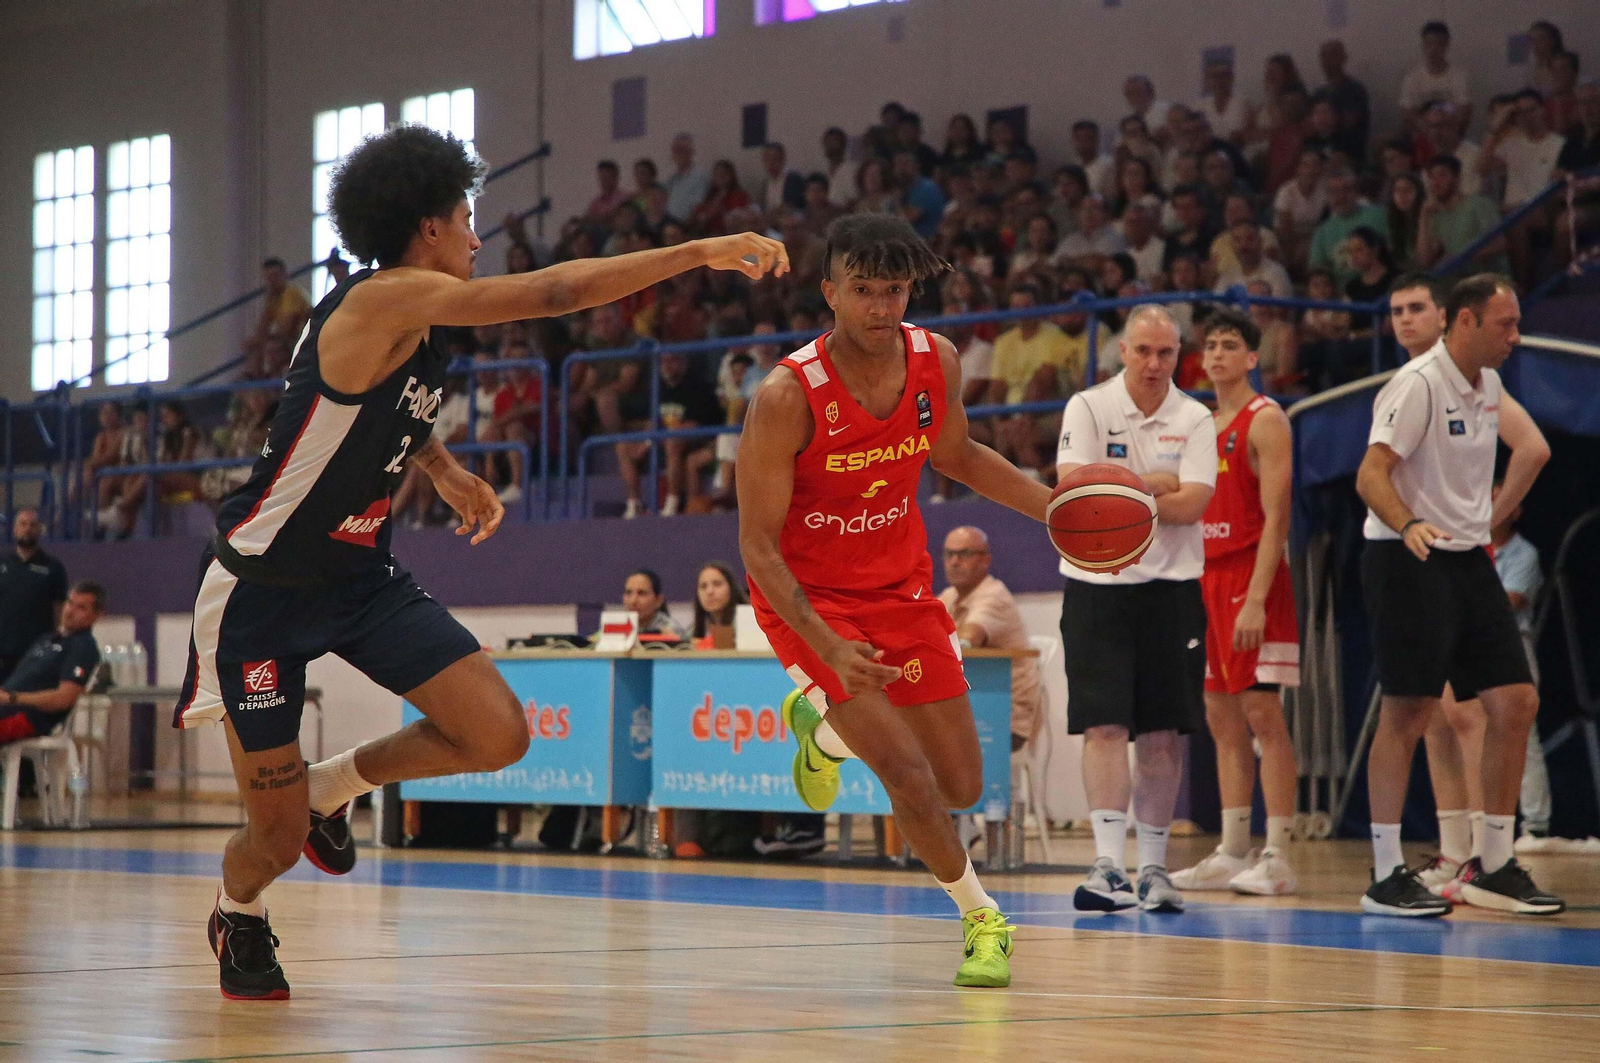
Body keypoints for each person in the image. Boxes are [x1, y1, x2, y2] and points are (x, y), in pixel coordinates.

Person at [173, 124, 786, 1001]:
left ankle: (333, 788)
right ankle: (239, 909)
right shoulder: (375, 300)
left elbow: (389, 412)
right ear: (424, 226)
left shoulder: (415, 326)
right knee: (269, 842)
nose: (476, 235)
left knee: (497, 732)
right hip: (261, 587)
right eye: (465, 216)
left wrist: (446, 470)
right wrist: (699, 248)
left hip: (357, 576)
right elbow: (560, 290)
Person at [737, 213, 1053, 988]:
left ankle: (822, 732)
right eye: (863, 290)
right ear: (830, 293)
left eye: (895, 290)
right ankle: (983, 917)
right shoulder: (785, 395)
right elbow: (757, 546)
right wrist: (826, 642)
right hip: (811, 601)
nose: (881, 306)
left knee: (962, 786)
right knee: (909, 776)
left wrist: (1055, 509)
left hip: (902, 588)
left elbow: (957, 455)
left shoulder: (933, 358)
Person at [1355, 273, 1561, 918]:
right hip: (1404, 555)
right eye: (1504, 324)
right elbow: (1370, 474)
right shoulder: (1416, 384)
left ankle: (1493, 863)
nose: (1515, 336)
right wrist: (1409, 522)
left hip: (1467, 557)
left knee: (1516, 700)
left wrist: (1490, 515)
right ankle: (1386, 873)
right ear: (1465, 322)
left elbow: (1535, 449)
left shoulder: (1490, 386)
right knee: (1409, 712)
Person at [1055, 306, 1215, 916]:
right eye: (1144, 351)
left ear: (1178, 355)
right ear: (1122, 349)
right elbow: (1077, 495)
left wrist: (1123, 488)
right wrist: (1157, 482)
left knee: (1162, 732)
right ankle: (1106, 865)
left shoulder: (1194, 415)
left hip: (1172, 589)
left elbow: (1196, 502)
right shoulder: (1088, 407)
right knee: (1103, 725)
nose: (1154, 364)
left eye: (1166, 354)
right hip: (1097, 586)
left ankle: (1153, 868)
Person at [1170, 311, 1300, 897]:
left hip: (1253, 575)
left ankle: (1279, 853)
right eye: (1211, 346)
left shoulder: (1265, 419)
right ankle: (1231, 848)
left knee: (1263, 717)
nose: (1218, 355)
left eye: (1230, 346)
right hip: (1205, 578)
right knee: (1220, 719)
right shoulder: (1200, 424)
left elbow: (1278, 516)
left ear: (1252, 357)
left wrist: (1256, 599)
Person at [937, 526, 1044, 751]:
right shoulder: (950, 596)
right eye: (949, 554)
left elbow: (968, 640)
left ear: (986, 560)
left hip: (1005, 718)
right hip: (971, 708)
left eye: (964, 554)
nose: (954, 561)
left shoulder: (994, 595)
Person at [0, 581, 104, 748]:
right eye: (70, 603)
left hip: (27, 718)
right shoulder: (46, 640)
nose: (70, 611)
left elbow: (64, 699)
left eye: (81, 608)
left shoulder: (82, 647)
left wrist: (12, 698)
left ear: (96, 616)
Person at [0, 510, 69, 685]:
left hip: (37, 651)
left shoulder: (53, 567)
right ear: (15, 529)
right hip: (4, 651)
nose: (27, 529)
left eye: (32, 525)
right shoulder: (3, 565)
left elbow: (59, 607)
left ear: (39, 530)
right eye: (22, 524)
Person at [1416, 156, 1510, 278]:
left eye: (1442, 175)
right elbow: (1425, 260)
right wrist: (1423, 216)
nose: (1435, 182)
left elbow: (1499, 243)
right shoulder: (1436, 216)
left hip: (1491, 279)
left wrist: (1460, 258)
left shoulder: (1479, 204)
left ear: (1457, 179)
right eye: (1432, 177)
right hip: (1459, 283)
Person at [1399, 21, 1472, 134]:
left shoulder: (1458, 76)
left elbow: (1464, 111)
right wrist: (1428, 130)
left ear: (1447, 44)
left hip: (1450, 135)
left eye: (1439, 43)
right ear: (1423, 45)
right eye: (1429, 43)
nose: (1433, 49)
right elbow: (1407, 112)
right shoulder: (1412, 78)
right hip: (1421, 136)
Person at [1316, 40, 1370, 164]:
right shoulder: (1318, 94)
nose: (1327, 61)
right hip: (1320, 156)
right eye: (1323, 56)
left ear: (1343, 58)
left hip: (1349, 156)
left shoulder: (1355, 90)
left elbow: (1351, 127)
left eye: (1332, 55)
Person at [249, 258, 312, 354]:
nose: (272, 281)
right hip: (289, 340)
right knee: (253, 346)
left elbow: (286, 329)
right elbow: (262, 329)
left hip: (305, 340)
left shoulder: (292, 293)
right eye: (268, 278)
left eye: (275, 276)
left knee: (272, 347)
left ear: (284, 275)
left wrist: (266, 338)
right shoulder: (274, 298)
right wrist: (268, 303)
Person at [691, 561, 745, 648]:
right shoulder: (692, 632)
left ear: (731, 588)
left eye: (717, 584)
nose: (709, 592)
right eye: (703, 586)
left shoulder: (749, 624)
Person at [663, 133, 712, 227]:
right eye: (676, 151)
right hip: (670, 227)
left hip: (689, 227)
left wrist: (686, 224)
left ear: (691, 152)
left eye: (682, 150)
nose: (679, 154)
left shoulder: (700, 175)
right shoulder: (670, 179)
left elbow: (700, 202)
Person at [622, 569, 688, 639]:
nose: (633, 601)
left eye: (642, 593)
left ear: (658, 600)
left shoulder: (671, 630)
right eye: (628, 593)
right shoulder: (617, 626)